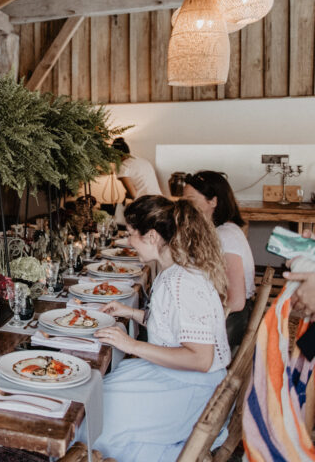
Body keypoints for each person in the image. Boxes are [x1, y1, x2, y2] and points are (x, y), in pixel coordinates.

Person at [88, 195, 230, 462]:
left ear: (152, 236)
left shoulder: (181, 282)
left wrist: (131, 345)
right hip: (184, 380)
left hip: (191, 391)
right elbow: (171, 328)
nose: (128, 242)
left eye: (131, 234)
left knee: (93, 418)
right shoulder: (176, 271)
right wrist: (130, 312)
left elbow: (201, 358)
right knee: (96, 401)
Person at [183, 171, 255, 348]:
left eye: (190, 201)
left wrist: (200, 321)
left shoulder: (225, 236)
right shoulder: (217, 231)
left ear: (213, 201)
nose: (185, 207)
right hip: (222, 311)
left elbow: (236, 301)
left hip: (231, 321)